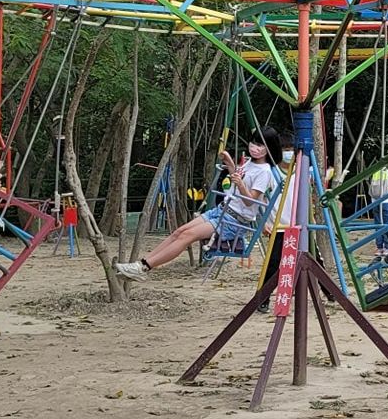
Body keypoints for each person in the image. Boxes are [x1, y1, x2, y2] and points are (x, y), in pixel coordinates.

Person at [115, 129, 280, 281]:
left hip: (233, 222)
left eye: (259, 144)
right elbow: (238, 177)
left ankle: (143, 268)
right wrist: (229, 162)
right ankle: (141, 264)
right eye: (253, 142)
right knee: (180, 231)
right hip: (221, 210)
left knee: (187, 236)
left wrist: (241, 185)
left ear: (268, 148)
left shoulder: (264, 172)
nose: (254, 147)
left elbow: (250, 200)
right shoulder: (250, 163)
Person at [258, 133, 296, 313]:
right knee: (273, 264)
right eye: (285, 150)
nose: (288, 153)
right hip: (278, 226)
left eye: (291, 150)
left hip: (298, 226)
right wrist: (263, 222)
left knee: (314, 260)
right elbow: (259, 201)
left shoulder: (300, 172)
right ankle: (263, 299)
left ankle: (330, 293)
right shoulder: (271, 174)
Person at [368, 160, 388, 257]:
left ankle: (380, 247)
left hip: (375, 201)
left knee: (378, 224)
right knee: (387, 224)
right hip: (386, 200)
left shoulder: (375, 172)